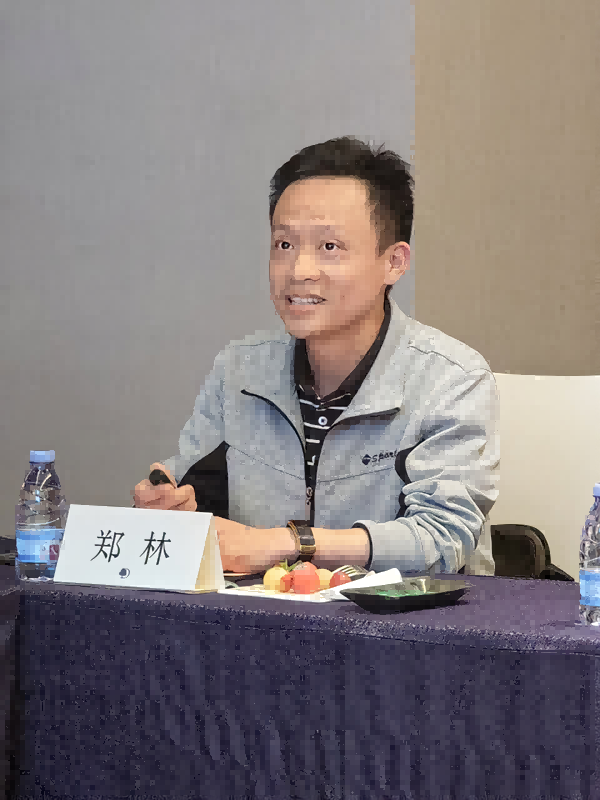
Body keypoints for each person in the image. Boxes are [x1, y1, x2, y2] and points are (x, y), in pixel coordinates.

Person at [133, 136, 499, 577]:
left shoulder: (451, 379)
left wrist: (287, 544)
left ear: (394, 262)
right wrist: (168, 507)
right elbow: (190, 486)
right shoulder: (240, 370)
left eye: (329, 247)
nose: (299, 271)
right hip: (262, 614)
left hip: (406, 617)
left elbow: (443, 540)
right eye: (284, 245)